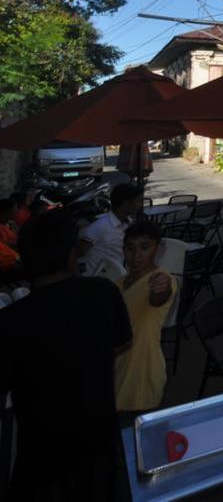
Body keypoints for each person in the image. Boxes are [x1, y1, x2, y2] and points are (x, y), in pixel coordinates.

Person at [0, 210, 132, 500]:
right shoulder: (103, 293)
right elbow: (121, 343)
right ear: (71, 254)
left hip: (41, 461)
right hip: (99, 448)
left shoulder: (10, 321)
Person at [113, 220, 176, 415]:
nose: (137, 256)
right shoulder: (118, 283)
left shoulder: (161, 279)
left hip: (141, 377)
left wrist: (162, 287)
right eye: (130, 248)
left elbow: (159, 297)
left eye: (145, 247)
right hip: (117, 374)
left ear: (158, 248)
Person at [77, 183, 142, 276]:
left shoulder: (128, 223)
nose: (139, 205)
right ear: (126, 203)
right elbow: (76, 255)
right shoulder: (100, 226)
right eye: (138, 201)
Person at [0, 196, 20, 272]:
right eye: (15, 209)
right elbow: (7, 246)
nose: (17, 211)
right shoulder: (2, 228)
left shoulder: (10, 223)